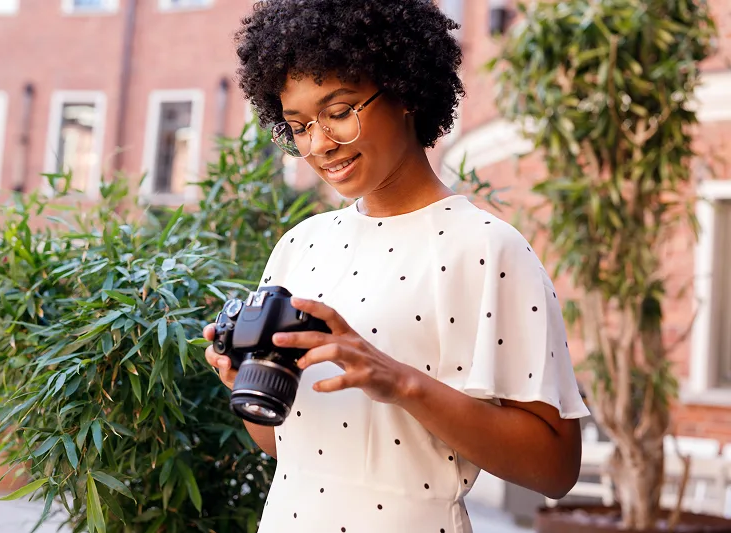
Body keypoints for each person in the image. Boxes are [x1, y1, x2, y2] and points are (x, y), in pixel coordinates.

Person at [203, 1, 590, 532]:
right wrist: (245, 383)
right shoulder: (300, 245)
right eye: (298, 125)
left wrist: (400, 382)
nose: (319, 144)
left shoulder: (486, 248)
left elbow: (555, 468)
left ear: (403, 89)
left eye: (339, 111)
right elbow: (284, 445)